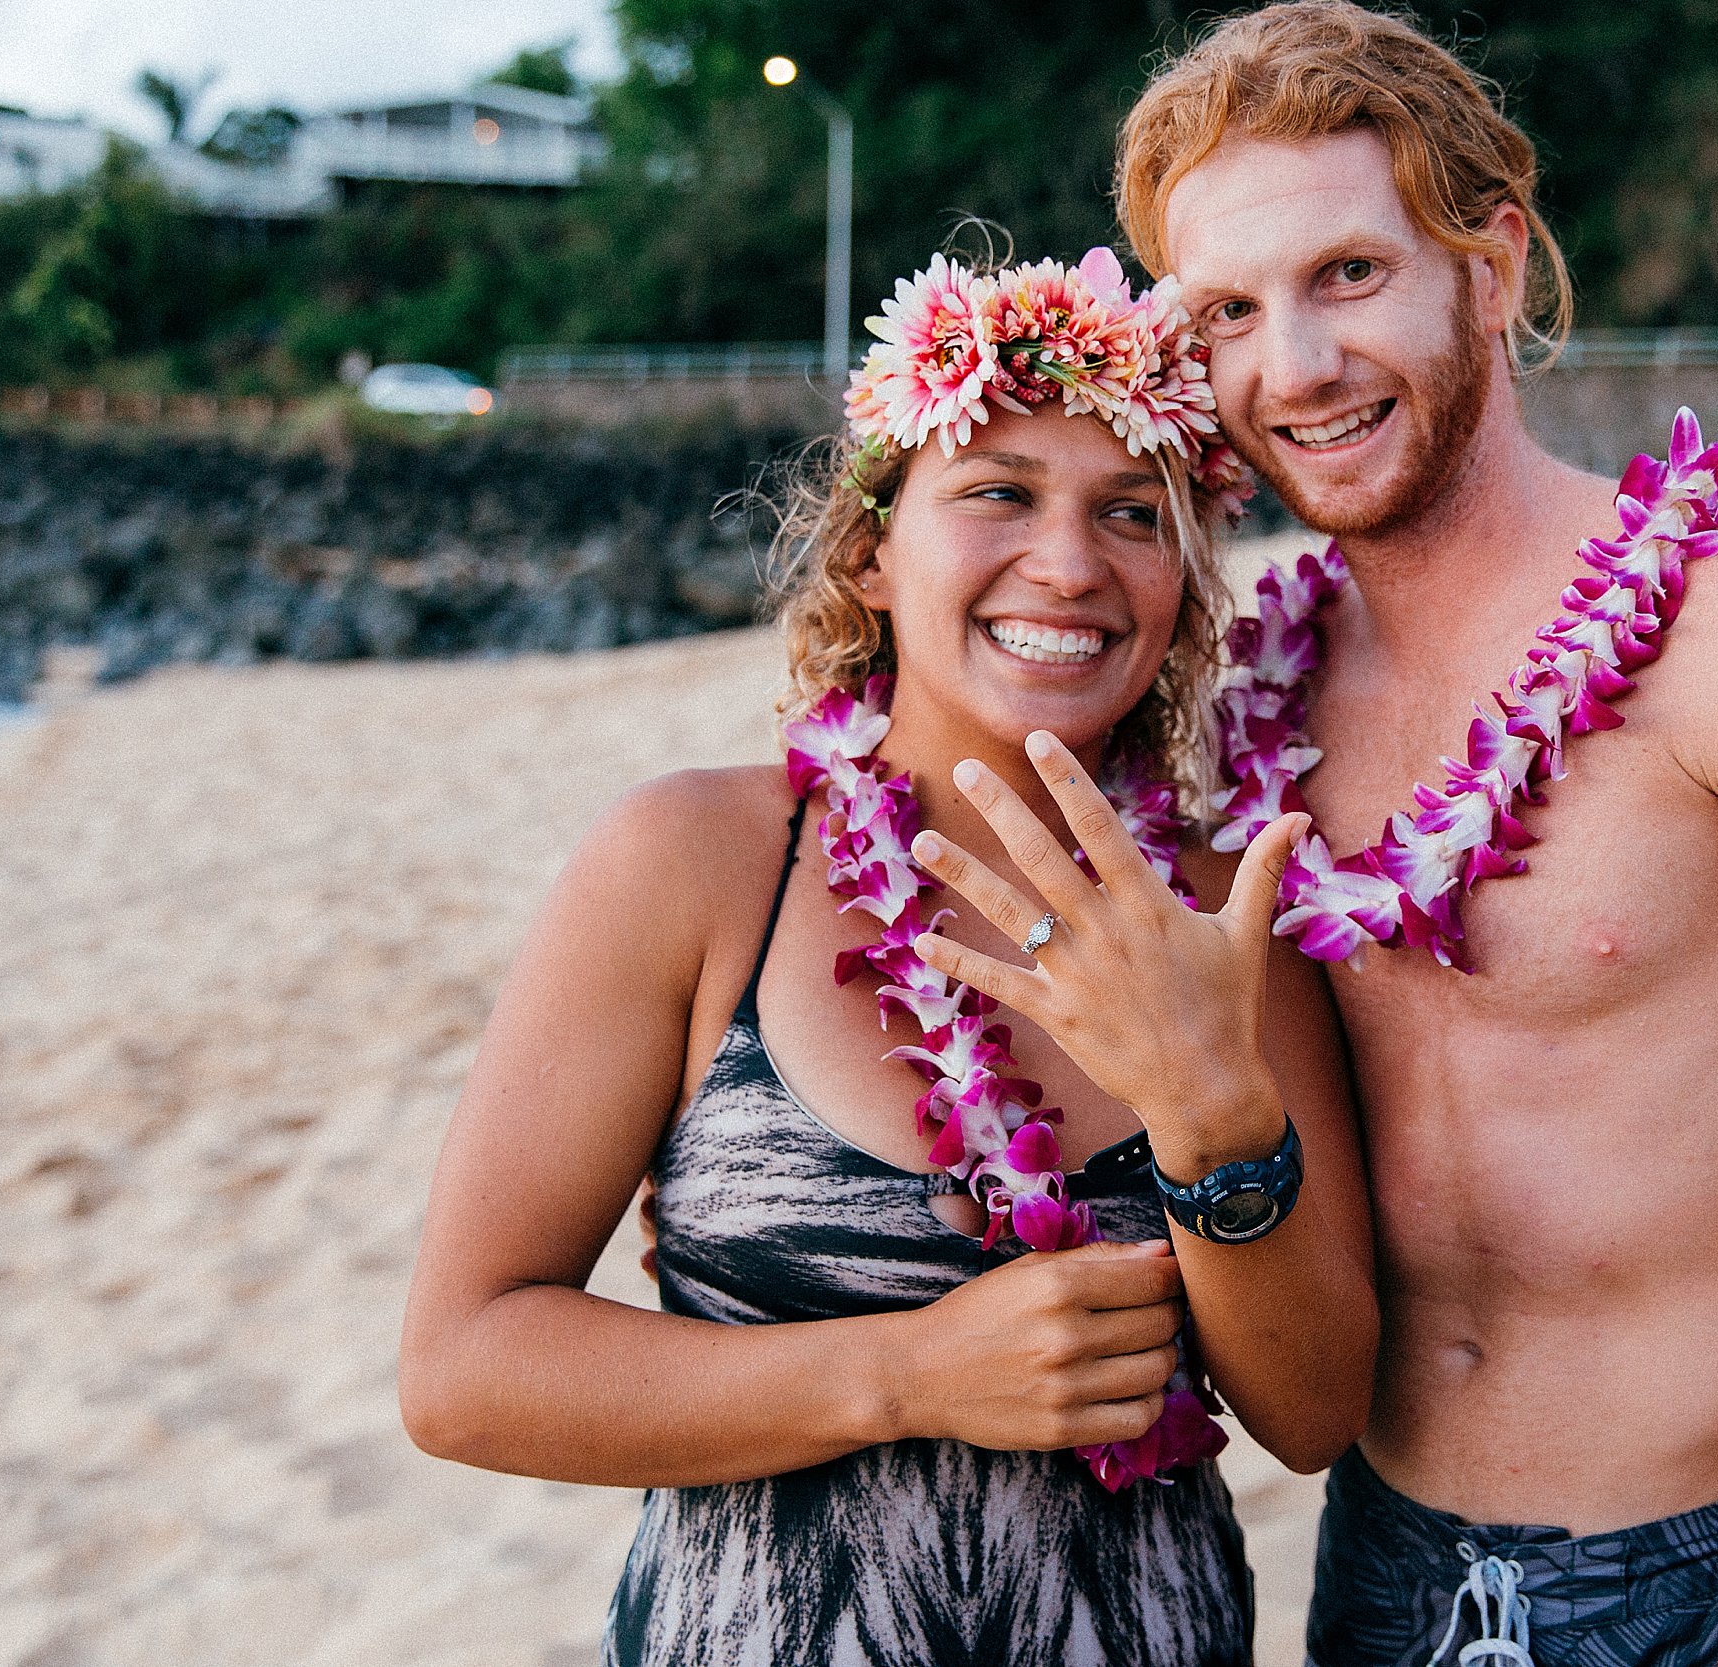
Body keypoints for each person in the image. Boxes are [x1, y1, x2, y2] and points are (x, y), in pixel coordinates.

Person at [1108, 6, 1718, 1665]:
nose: (1297, 366)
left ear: (1491, 260)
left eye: (1347, 274)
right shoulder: (1249, 700)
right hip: (1380, 1574)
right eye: (1227, 313)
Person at [398, 246, 1378, 1667]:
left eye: (1130, 512)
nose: (1070, 562)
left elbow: (1313, 1414)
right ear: (870, 548)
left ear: (1181, 576)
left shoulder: (1227, 917)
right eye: (997, 492)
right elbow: (464, 1370)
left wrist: (1213, 1109)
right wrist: (906, 1374)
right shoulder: (696, 863)